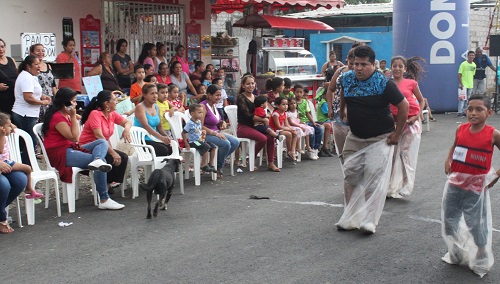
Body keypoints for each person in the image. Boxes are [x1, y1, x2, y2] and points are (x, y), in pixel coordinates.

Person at [336, 45, 409, 234]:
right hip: (356, 135)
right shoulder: (347, 78)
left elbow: (404, 106)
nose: (358, 68)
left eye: (363, 65)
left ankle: (369, 219)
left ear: (373, 65)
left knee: (372, 178)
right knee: (350, 174)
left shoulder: (384, 83)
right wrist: (342, 109)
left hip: (380, 137)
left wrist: (397, 134)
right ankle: (350, 215)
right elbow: (344, 93)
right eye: (355, 64)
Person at [442, 95, 500, 277]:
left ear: (489, 113)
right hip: (454, 184)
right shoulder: (460, 129)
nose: (473, 113)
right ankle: (456, 249)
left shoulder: (493, 134)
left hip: (475, 188)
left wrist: (495, 176)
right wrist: (448, 159)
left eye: (479, 109)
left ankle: (481, 256)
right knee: (449, 220)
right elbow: (455, 145)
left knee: (476, 223)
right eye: (470, 109)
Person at [41, 87, 124, 210]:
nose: (75, 104)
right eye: (73, 101)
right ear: (66, 103)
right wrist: (74, 117)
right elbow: (74, 137)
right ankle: (104, 199)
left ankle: (97, 159)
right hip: (60, 152)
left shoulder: (65, 115)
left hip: (70, 148)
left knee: (101, 142)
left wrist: (74, 116)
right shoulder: (58, 117)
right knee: (102, 163)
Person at [387, 56, 426, 198]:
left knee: (404, 153)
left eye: (400, 66)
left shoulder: (411, 83)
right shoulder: (387, 83)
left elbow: (421, 101)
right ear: (391, 68)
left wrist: (417, 116)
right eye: (394, 66)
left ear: (405, 69)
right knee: (391, 155)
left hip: (410, 122)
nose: (397, 68)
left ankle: (405, 183)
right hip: (393, 123)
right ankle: (389, 185)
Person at [79, 90, 132, 194]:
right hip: (88, 148)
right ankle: (104, 189)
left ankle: (108, 184)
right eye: (114, 100)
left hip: (102, 147)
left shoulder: (112, 114)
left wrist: (126, 129)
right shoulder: (95, 114)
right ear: (106, 103)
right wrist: (112, 152)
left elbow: (127, 122)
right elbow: (99, 136)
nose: (116, 101)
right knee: (112, 157)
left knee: (123, 157)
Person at [236, 75, 280, 172]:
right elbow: (248, 115)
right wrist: (263, 120)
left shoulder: (256, 98)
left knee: (270, 137)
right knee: (263, 138)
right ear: (243, 85)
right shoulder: (241, 98)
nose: (250, 86)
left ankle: (271, 162)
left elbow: (262, 110)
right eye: (248, 84)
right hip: (244, 127)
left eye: (252, 83)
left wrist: (266, 117)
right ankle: (252, 159)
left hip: (256, 126)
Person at [13, 55, 51, 165]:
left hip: (28, 113)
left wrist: (42, 96)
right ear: (28, 66)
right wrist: (42, 102)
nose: (39, 66)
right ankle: (26, 165)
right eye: (36, 64)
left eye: (39, 64)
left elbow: (32, 92)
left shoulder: (30, 76)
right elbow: (28, 97)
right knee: (30, 141)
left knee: (28, 140)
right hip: (25, 114)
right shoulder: (26, 77)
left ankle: (25, 164)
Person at [0, 112, 42, 199]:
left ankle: (29, 188)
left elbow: (10, 124)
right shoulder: (1, 137)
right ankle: (29, 189)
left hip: (7, 161)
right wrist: (2, 136)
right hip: (4, 162)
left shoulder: (5, 132)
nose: (11, 128)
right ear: (2, 128)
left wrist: (9, 124)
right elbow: (1, 151)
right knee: (4, 185)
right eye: (8, 126)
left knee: (27, 169)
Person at [201, 85, 239, 178]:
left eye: (220, 95)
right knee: (226, 144)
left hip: (215, 132)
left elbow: (215, 121)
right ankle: (219, 167)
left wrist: (221, 123)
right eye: (217, 95)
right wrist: (215, 133)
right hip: (204, 134)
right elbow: (200, 126)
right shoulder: (203, 106)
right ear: (209, 95)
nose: (219, 97)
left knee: (235, 142)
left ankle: (218, 160)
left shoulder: (214, 105)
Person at [0, 116, 27, 234]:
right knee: (4, 185)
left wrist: (10, 126)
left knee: (20, 179)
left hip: (4, 165)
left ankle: (0, 212)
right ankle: (1, 218)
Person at [327, 48, 355, 158]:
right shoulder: (340, 71)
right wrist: (330, 108)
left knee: (354, 149)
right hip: (338, 113)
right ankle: (346, 173)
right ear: (347, 60)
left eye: (356, 63)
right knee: (342, 150)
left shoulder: (363, 74)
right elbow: (330, 89)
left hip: (356, 113)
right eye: (351, 63)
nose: (353, 67)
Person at [134, 84, 173, 156]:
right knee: (163, 150)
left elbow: (159, 127)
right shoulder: (140, 107)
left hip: (154, 138)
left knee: (173, 147)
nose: (155, 96)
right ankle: (161, 167)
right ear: (144, 95)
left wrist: (166, 136)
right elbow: (146, 126)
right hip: (142, 140)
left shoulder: (156, 107)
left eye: (156, 93)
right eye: (152, 93)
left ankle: (170, 167)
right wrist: (161, 138)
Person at [182, 104, 217, 173]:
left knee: (213, 146)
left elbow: (197, 131)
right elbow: (183, 133)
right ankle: (203, 164)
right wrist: (186, 143)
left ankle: (211, 163)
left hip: (199, 140)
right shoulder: (190, 124)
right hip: (193, 142)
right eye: (199, 112)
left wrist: (202, 133)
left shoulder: (198, 122)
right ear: (192, 114)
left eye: (202, 112)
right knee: (206, 147)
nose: (201, 114)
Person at [30, 44, 56, 122]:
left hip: (49, 99)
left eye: (43, 51)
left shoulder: (48, 66)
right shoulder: (31, 68)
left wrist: (57, 98)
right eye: (38, 51)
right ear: (32, 52)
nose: (41, 53)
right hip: (38, 99)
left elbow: (53, 84)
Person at [295, 84, 322, 160]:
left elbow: (308, 113)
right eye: (297, 92)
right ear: (294, 92)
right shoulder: (293, 102)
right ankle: (310, 148)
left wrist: (313, 122)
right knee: (311, 130)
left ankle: (315, 149)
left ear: (303, 93)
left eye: (301, 92)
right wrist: (300, 122)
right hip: (298, 123)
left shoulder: (305, 102)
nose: (299, 94)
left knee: (319, 129)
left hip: (306, 121)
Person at [269, 96, 298, 162]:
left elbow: (286, 124)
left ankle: (292, 151)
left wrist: (291, 128)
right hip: (274, 131)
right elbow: (278, 126)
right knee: (288, 134)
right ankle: (289, 150)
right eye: (283, 104)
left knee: (295, 133)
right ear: (277, 105)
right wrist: (288, 130)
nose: (286, 106)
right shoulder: (275, 114)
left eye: (287, 104)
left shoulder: (284, 113)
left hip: (281, 129)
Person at [0, 38, 18, 115]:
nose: (1, 49)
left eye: (2, 46)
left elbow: (19, 75)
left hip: (15, 96)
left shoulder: (11, 59)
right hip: (2, 98)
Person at [458, 51, 477, 117]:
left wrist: (472, 83)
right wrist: (461, 84)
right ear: (467, 56)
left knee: (468, 99)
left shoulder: (474, 65)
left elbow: (472, 75)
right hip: (463, 84)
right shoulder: (463, 64)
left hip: (470, 84)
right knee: (462, 99)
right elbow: (459, 74)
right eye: (470, 55)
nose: (471, 56)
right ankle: (460, 112)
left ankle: (464, 111)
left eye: (472, 55)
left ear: (474, 56)